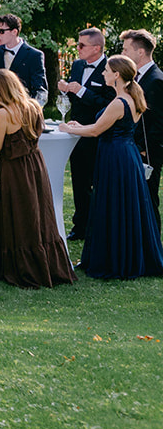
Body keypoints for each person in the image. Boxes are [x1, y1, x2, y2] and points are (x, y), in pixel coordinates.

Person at [62, 55, 163, 279]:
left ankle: (115, 260)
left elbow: (96, 131)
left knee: (113, 204)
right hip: (126, 154)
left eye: (106, 70)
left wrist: (68, 129)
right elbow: (103, 126)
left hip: (115, 157)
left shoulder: (119, 102)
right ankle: (124, 254)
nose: (103, 73)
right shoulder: (132, 96)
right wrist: (79, 125)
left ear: (117, 75)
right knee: (124, 205)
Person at [0, 69, 76, 288]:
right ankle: (45, 262)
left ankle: (21, 266)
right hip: (35, 165)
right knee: (37, 212)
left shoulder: (3, 113)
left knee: (18, 213)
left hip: (14, 169)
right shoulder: (33, 106)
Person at [60, 27, 115, 242]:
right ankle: (80, 226)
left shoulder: (111, 68)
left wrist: (81, 91)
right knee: (79, 182)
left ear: (97, 48)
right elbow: (73, 97)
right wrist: (66, 90)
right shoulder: (77, 65)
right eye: (77, 44)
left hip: (101, 134)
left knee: (99, 183)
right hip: (77, 132)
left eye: (82, 45)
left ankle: (100, 227)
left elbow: (109, 104)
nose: (78, 48)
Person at [120, 29, 163, 220]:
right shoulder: (134, 78)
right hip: (132, 149)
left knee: (148, 203)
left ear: (140, 52)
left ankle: (153, 240)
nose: (122, 54)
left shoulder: (156, 80)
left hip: (146, 154)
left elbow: (159, 123)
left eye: (126, 50)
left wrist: (143, 150)